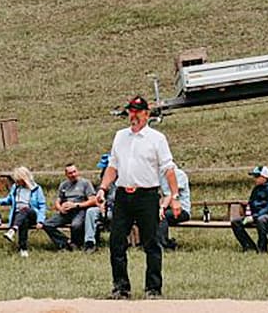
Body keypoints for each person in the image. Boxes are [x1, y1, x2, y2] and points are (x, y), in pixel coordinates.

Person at [94, 96, 180, 300]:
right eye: (130, 111)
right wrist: (103, 188)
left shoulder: (157, 138)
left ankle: (153, 288)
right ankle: (121, 288)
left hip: (147, 195)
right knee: (116, 242)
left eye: (137, 112)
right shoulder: (120, 136)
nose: (133, 115)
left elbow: (168, 169)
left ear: (146, 114)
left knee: (151, 243)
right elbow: (113, 166)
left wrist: (174, 196)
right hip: (123, 195)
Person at [41, 163, 99, 251]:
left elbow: (93, 200)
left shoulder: (85, 183)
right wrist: (60, 208)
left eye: (74, 172)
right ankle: (65, 242)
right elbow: (57, 201)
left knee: (76, 225)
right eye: (70, 173)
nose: (73, 175)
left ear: (78, 171)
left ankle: (76, 244)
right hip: (66, 212)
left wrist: (76, 205)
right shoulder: (63, 185)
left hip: (80, 210)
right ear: (66, 174)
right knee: (47, 224)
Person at [0, 166, 47, 257]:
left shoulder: (36, 189)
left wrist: (40, 220)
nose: (17, 182)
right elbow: (9, 200)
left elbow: (42, 206)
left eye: (19, 180)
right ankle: (23, 248)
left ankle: (13, 230)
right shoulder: (15, 188)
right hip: (19, 216)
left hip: (32, 214)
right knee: (23, 220)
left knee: (25, 210)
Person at [231, 165, 268, 253]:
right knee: (235, 222)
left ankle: (262, 246)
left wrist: (255, 216)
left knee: (260, 220)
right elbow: (251, 202)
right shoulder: (256, 189)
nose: (255, 179)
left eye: (257, 176)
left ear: (264, 177)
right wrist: (248, 215)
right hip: (255, 215)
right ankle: (248, 246)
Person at [155, 164, 190, 250]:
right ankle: (156, 242)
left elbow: (172, 195)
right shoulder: (162, 177)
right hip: (168, 208)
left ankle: (163, 244)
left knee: (162, 216)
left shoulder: (179, 175)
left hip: (182, 210)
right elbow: (163, 196)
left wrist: (162, 208)